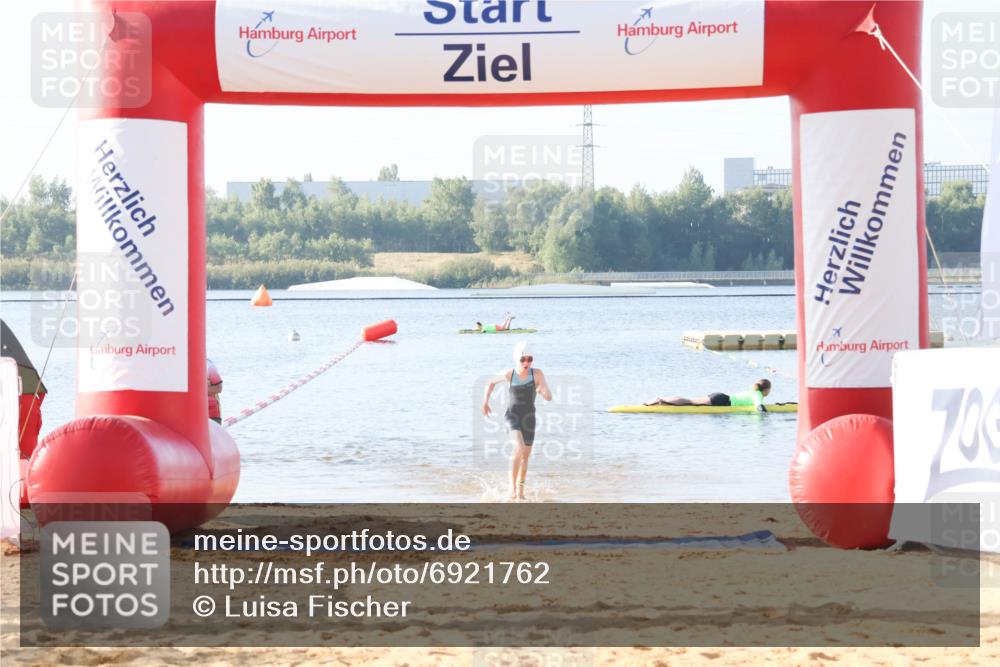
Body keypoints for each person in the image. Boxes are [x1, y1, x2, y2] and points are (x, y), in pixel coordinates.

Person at [482, 341, 552, 500]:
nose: (526, 362)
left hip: (529, 419)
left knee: (525, 457)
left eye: (529, 359)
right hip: (512, 416)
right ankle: (512, 489)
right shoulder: (509, 374)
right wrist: (485, 402)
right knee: (519, 448)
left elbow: (549, 396)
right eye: (523, 359)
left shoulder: (538, 374)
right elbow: (490, 382)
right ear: (517, 359)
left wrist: (543, 392)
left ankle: (520, 492)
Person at [645, 378, 772, 412]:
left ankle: (664, 399)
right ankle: (661, 400)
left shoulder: (752, 391)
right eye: (770, 390)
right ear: (765, 390)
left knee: (690, 400)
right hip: (721, 401)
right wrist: (766, 417)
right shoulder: (758, 395)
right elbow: (759, 407)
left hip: (720, 396)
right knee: (689, 402)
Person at [207, 358, 223, 424]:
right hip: (190, 413)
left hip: (212, 415)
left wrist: (196, 390)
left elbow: (219, 388)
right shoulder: (181, 365)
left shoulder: (208, 365)